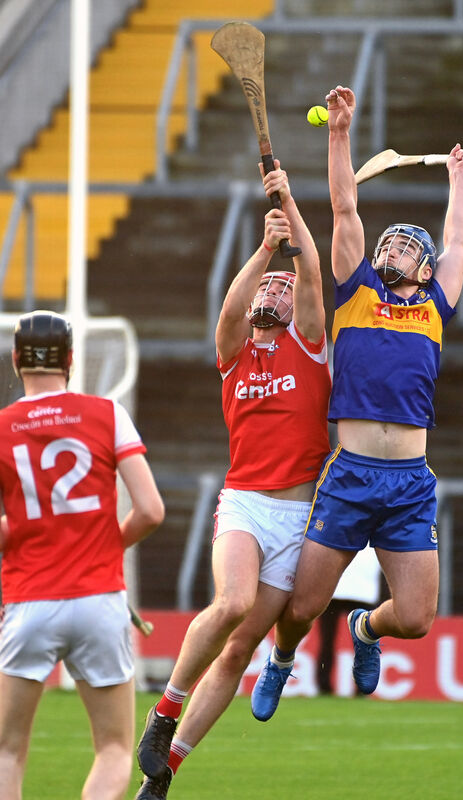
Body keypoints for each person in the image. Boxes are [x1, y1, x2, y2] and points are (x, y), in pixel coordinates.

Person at [251, 84, 463, 721]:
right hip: (349, 473)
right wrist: (339, 131)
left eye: (407, 244)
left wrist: (457, 177)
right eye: (391, 242)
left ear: (425, 269)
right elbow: (345, 208)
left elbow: (458, 243)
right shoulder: (355, 292)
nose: (392, 247)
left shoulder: (434, 307)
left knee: (416, 618)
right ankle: (282, 660)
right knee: (299, 607)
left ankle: (366, 632)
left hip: (409, 481)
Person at [134, 162, 331, 799]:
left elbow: (312, 273)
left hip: (298, 517)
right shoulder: (234, 355)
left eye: (279, 287)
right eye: (262, 292)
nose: (271, 294)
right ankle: (163, 713)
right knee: (232, 605)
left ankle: (166, 775)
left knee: (240, 648)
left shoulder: (309, 342)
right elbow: (226, 311)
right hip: (245, 504)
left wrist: (290, 213)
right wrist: (265, 246)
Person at [0, 310, 165, 800]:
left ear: (16, 360)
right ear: (72, 359)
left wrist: (27, 535)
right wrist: (99, 543)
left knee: (8, 753)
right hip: (99, 600)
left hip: (28, 602)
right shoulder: (108, 413)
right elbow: (150, 511)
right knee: (113, 750)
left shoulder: (3, 427)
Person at [316, 545, 381, 695]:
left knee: (327, 641)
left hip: (340, 588)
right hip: (359, 590)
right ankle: (361, 688)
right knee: (363, 643)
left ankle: (324, 685)